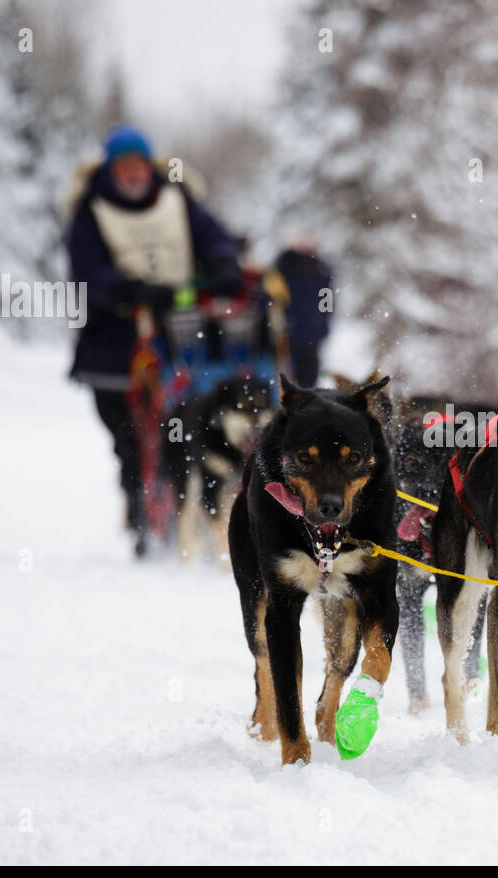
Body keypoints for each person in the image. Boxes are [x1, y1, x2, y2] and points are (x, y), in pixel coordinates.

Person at [66, 124, 241, 556]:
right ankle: (143, 516)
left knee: (193, 429)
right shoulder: (89, 213)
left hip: (183, 336)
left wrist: (222, 262)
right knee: (129, 439)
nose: (132, 172)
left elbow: (214, 236)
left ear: (149, 165)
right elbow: (89, 274)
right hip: (116, 346)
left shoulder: (177, 199)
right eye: (123, 165)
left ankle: (201, 518)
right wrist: (131, 290)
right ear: (110, 169)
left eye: (138, 163)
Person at [274, 237, 334, 388]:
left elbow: (327, 302)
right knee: (287, 377)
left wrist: (322, 324)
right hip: (289, 333)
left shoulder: (321, 271)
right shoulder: (284, 268)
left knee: (305, 378)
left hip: (307, 332)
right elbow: (275, 298)